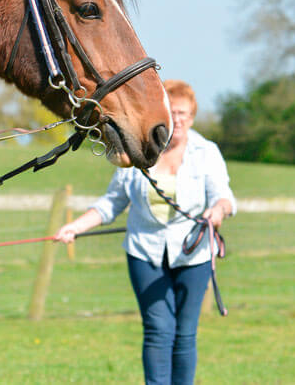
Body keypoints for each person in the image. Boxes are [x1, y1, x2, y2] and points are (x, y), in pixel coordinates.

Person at [54, 79, 236, 385]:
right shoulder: (138, 149)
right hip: (145, 251)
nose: (178, 120)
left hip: (194, 255)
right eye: (173, 112)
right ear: (162, 112)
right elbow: (111, 202)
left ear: (192, 117)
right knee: (158, 328)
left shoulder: (207, 152)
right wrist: (75, 226)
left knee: (184, 332)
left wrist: (217, 211)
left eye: (184, 114)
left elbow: (224, 196)